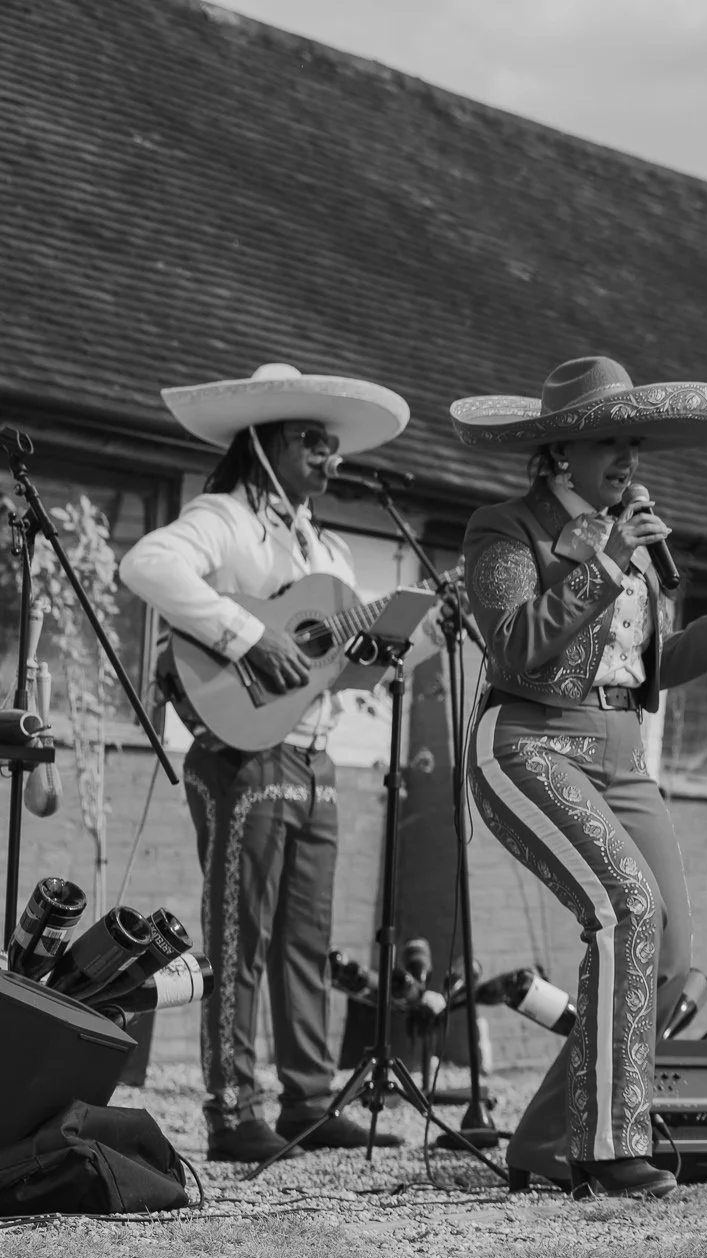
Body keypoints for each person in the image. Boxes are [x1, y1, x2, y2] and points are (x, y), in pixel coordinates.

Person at [450, 356, 707, 1200]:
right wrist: (604, 561)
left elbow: (639, 669)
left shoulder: (638, 538)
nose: (629, 458)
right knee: (626, 906)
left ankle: (544, 1140)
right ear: (562, 451)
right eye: (610, 442)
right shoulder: (503, 528)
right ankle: (606, 1148)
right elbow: (516, 647)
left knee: (670, 957)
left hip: (623, 752)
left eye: (636, 443)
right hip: (530, 741)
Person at [121, 363, 413, 1163]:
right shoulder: (224, 518)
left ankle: (308, 1101)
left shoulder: (329, 549)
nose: (330, 456)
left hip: (318, 757)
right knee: (239, 936)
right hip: (244, 754)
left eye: (331, 443)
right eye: (312, 440)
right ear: (265, 442)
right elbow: (145, 565)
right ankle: (232, 1110)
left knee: (307, 943)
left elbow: (334, 666)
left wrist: (394, 649)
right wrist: (250, 635)